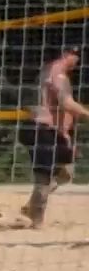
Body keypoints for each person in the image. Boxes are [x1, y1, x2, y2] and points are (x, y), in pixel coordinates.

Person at [22, 46, 88, 227]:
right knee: (44, 176)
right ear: (68, 54)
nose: (78, 61)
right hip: (44, 129)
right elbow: (66, 103)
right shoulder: (57, 73)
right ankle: (37, 220)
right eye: (77, 57)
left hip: (55, 131)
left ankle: (32, 206)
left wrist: (66, 133)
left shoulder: (48, 69)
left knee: (66, 172)